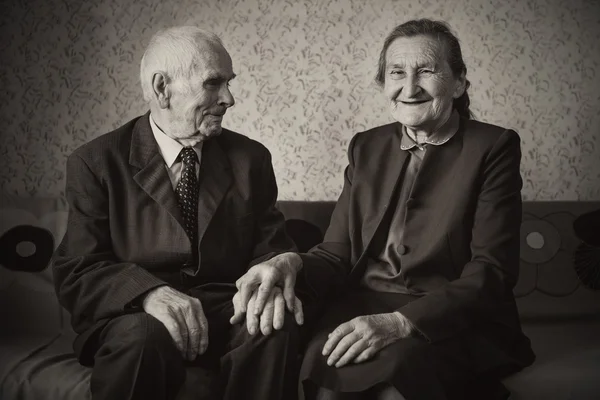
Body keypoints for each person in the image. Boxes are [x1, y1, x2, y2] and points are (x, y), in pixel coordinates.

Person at [234, 19, 535, 399]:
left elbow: (492, 271)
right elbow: (334, 255)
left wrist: (400, 322)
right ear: (383, 83)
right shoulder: (366, 146)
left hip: (448, 318)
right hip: (360, 307)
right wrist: (290, 261)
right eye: (397, 73)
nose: (409, 88)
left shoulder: (494, 147)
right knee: (325, 388)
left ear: (458, 82)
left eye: (426, 71)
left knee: (393, 389)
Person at [52, 26, 305, 400]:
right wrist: (150, 293)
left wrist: (273, 271)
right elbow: (78, 268)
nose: (229, 98)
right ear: (161, 88)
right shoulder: (96, 162)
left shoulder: (251, 158)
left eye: (228, 83)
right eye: (213, 83)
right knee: (143, 339)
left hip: (225, 306)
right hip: (133, 314)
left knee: (272, 325)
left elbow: (270, 246)